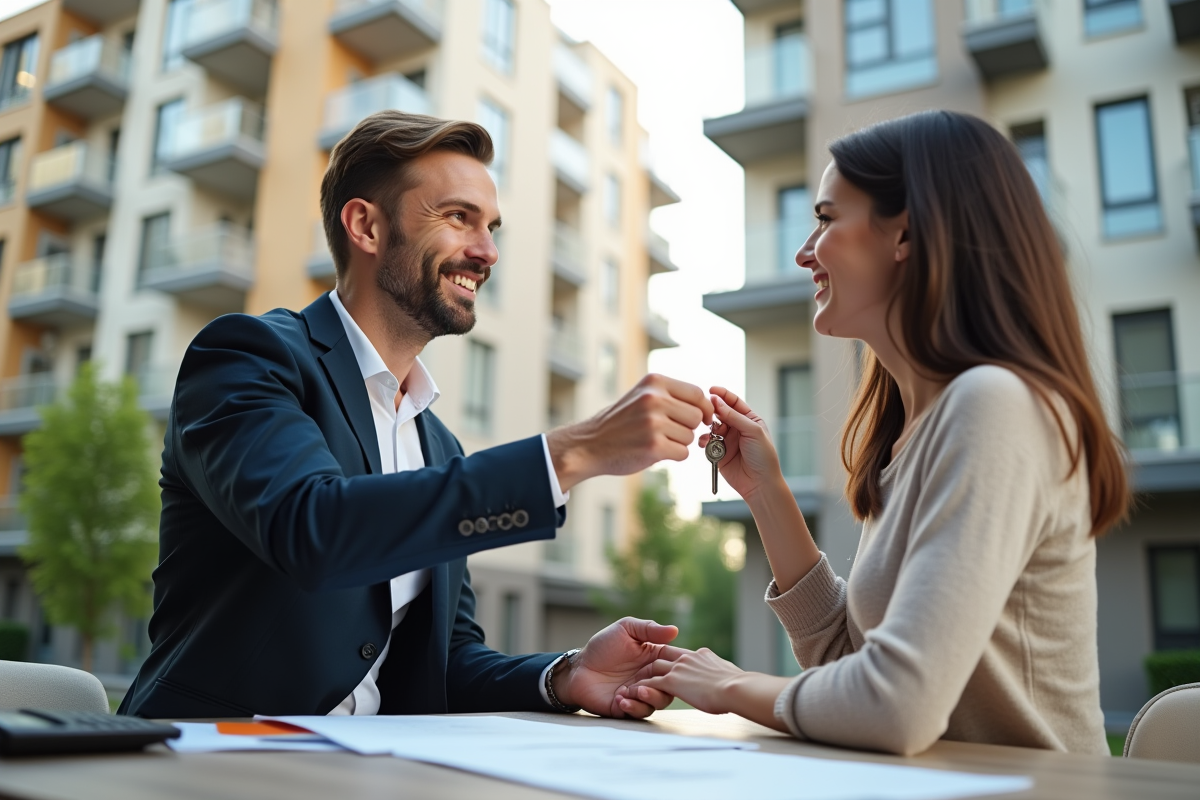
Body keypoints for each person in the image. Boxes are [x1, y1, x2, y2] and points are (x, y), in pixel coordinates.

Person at [119, 112, 707, 720]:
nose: (487, 252)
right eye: (458, 217)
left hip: (363, 771)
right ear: (366, 226)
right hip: (203, 760)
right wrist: (568, 455)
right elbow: (311, 528)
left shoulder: (440, 447)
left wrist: (565, 674)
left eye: (491, 227)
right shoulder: (248, 357)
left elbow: (442, 663)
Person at [625, 110, 1130, 756]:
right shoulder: (912, 431)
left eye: (828, 218)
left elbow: (895, 705)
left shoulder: (995, 404)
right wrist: (767, 495)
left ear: (907, 235)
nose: (806, 251)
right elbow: (846, 660)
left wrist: (733, 687)